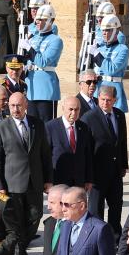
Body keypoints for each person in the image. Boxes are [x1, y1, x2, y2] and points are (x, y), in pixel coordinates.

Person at [0, 92, 52, 255]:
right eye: (12, 106)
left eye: (18, 106)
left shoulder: (37, 124)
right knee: (15, 221)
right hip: (12, 184)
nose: (15, 109)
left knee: (34, 216)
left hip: (35, 182)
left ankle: (21, 250)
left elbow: (45, 154)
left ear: (26, 106)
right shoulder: (1, 128)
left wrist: (48, 180)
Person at [81, 83, 127, 231]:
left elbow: (122, 141)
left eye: (108, 100)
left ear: (115, 100)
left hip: (115, 171)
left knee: (116, 205)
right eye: (102, 99)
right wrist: (87, 174)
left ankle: (115, 236)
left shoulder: (119, 115)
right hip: (97, 173)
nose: (105, 103)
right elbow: (86, 148)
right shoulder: (89, 117)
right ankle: (97, 236)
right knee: (96, 209)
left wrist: (123, 164)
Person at [45, 96, 94, 229]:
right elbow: (46, 156)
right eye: (70, 109)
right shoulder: (51, 127)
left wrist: (88, 178)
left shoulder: (84, 128)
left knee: (77, 211)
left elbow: (87, 154)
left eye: (77, 110)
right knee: (60, 212)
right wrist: (47, 180)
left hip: (78, 180)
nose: (73, 113)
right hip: (59, 179)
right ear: (63, 109)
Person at [26, 5, 63, 121]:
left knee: (47, 127)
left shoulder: (55, 40)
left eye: (41, 19)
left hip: (46, 88)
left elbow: (43, 61)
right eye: (37, 19)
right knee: (32, 126)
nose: (37, 22)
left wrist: (29, 48)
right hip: (31, 87)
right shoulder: (32, 38)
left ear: (50, 21)